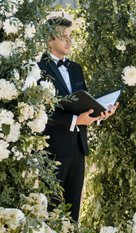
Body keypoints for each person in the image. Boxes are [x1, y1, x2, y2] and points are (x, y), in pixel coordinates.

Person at [37, 17, 118, 221]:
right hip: (52, 149)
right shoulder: (37, 69)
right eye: (63, 36)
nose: (69, 41)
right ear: (49, 39)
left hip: (78, 147)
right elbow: (39, 111)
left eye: (70, 36)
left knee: (73, 210)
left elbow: (85, 104)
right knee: (51, 208)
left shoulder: (76, 68)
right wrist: (74, 122)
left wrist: (101, 114)